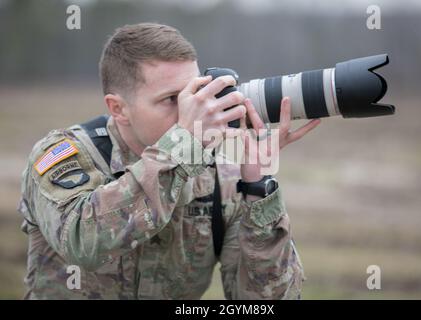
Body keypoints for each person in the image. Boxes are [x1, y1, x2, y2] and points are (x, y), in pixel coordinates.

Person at [17, 22, 320, 299]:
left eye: (195, 93)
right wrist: (184, 146)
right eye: (172, 99)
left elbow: (262, 302)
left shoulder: (221, 177)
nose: (194, 108)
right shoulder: (63, 156)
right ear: (118, 108)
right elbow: (83, 241)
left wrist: (257, 184)